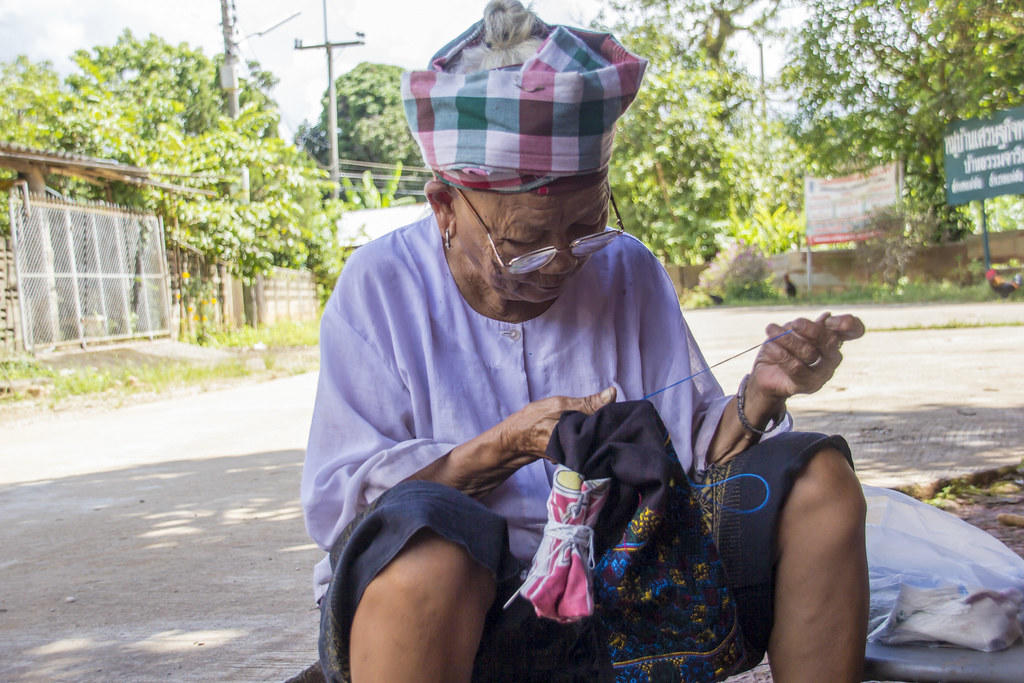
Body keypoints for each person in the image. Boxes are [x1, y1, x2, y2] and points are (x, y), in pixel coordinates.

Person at [300, 2, 868, 681]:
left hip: (627, 588)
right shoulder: (381, 287)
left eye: (586, 226)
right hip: (467, 612)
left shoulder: (626, 269)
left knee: (820, 483)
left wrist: (758, 397)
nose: (566, 259)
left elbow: (692, 459)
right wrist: (503, 447)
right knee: (432, 543)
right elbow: (345, 508)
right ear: (445, 209)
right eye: (526, 243)